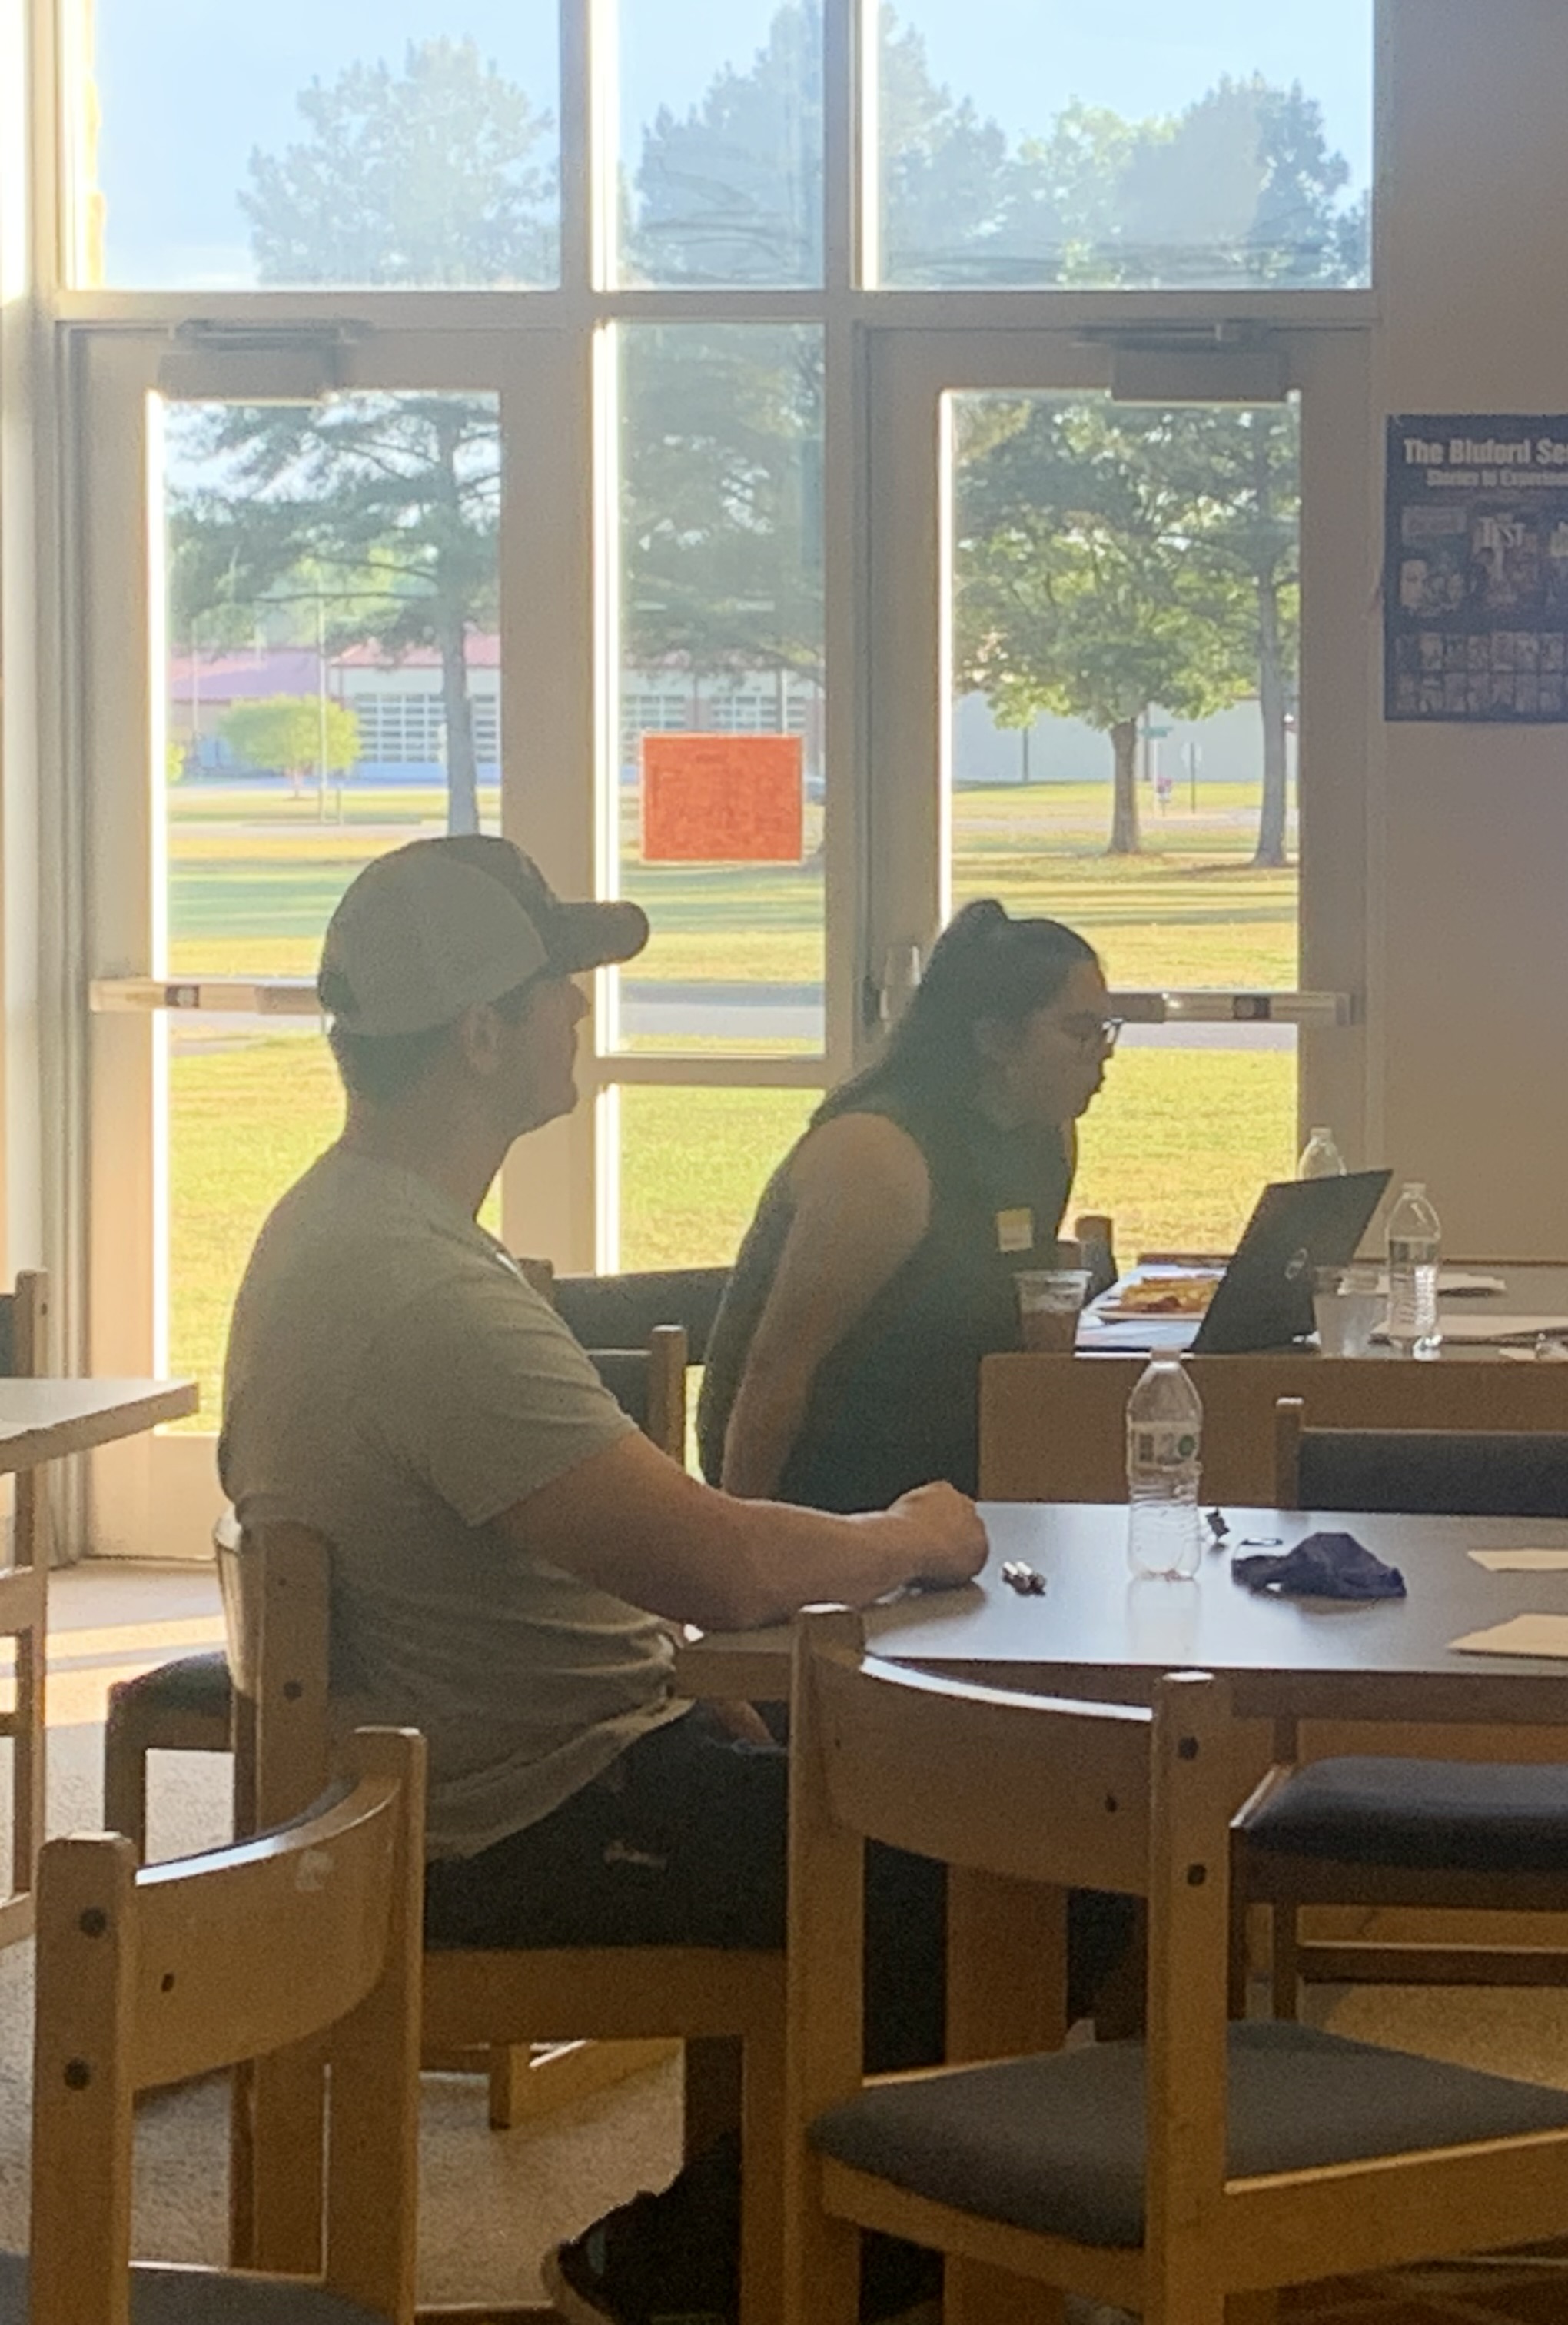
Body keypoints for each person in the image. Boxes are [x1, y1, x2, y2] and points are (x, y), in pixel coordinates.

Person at [221, 833, 988, 2325]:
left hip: (520, 1779)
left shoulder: (360, 1232)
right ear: (481, 1033)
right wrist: (919, 1533)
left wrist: (710, 1699)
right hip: (526, 1824)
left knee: (957, 1835)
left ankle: (806, 2251)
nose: (583, 1007)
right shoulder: (420, 1290)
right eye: (558, 983)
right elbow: (725, 1565)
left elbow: (650, 1584)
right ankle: (725, 2268)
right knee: (1010, 1859)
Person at [699, 899, 1115, 1508]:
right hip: (837, 1487)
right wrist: (747, 1554)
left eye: (1107, 1030)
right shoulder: (879, 1156)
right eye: (1079, 1032)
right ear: (995, 1039)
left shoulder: (1047, 1133)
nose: (1103, 1053)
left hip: (956, 1476)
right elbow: (775, 1374)